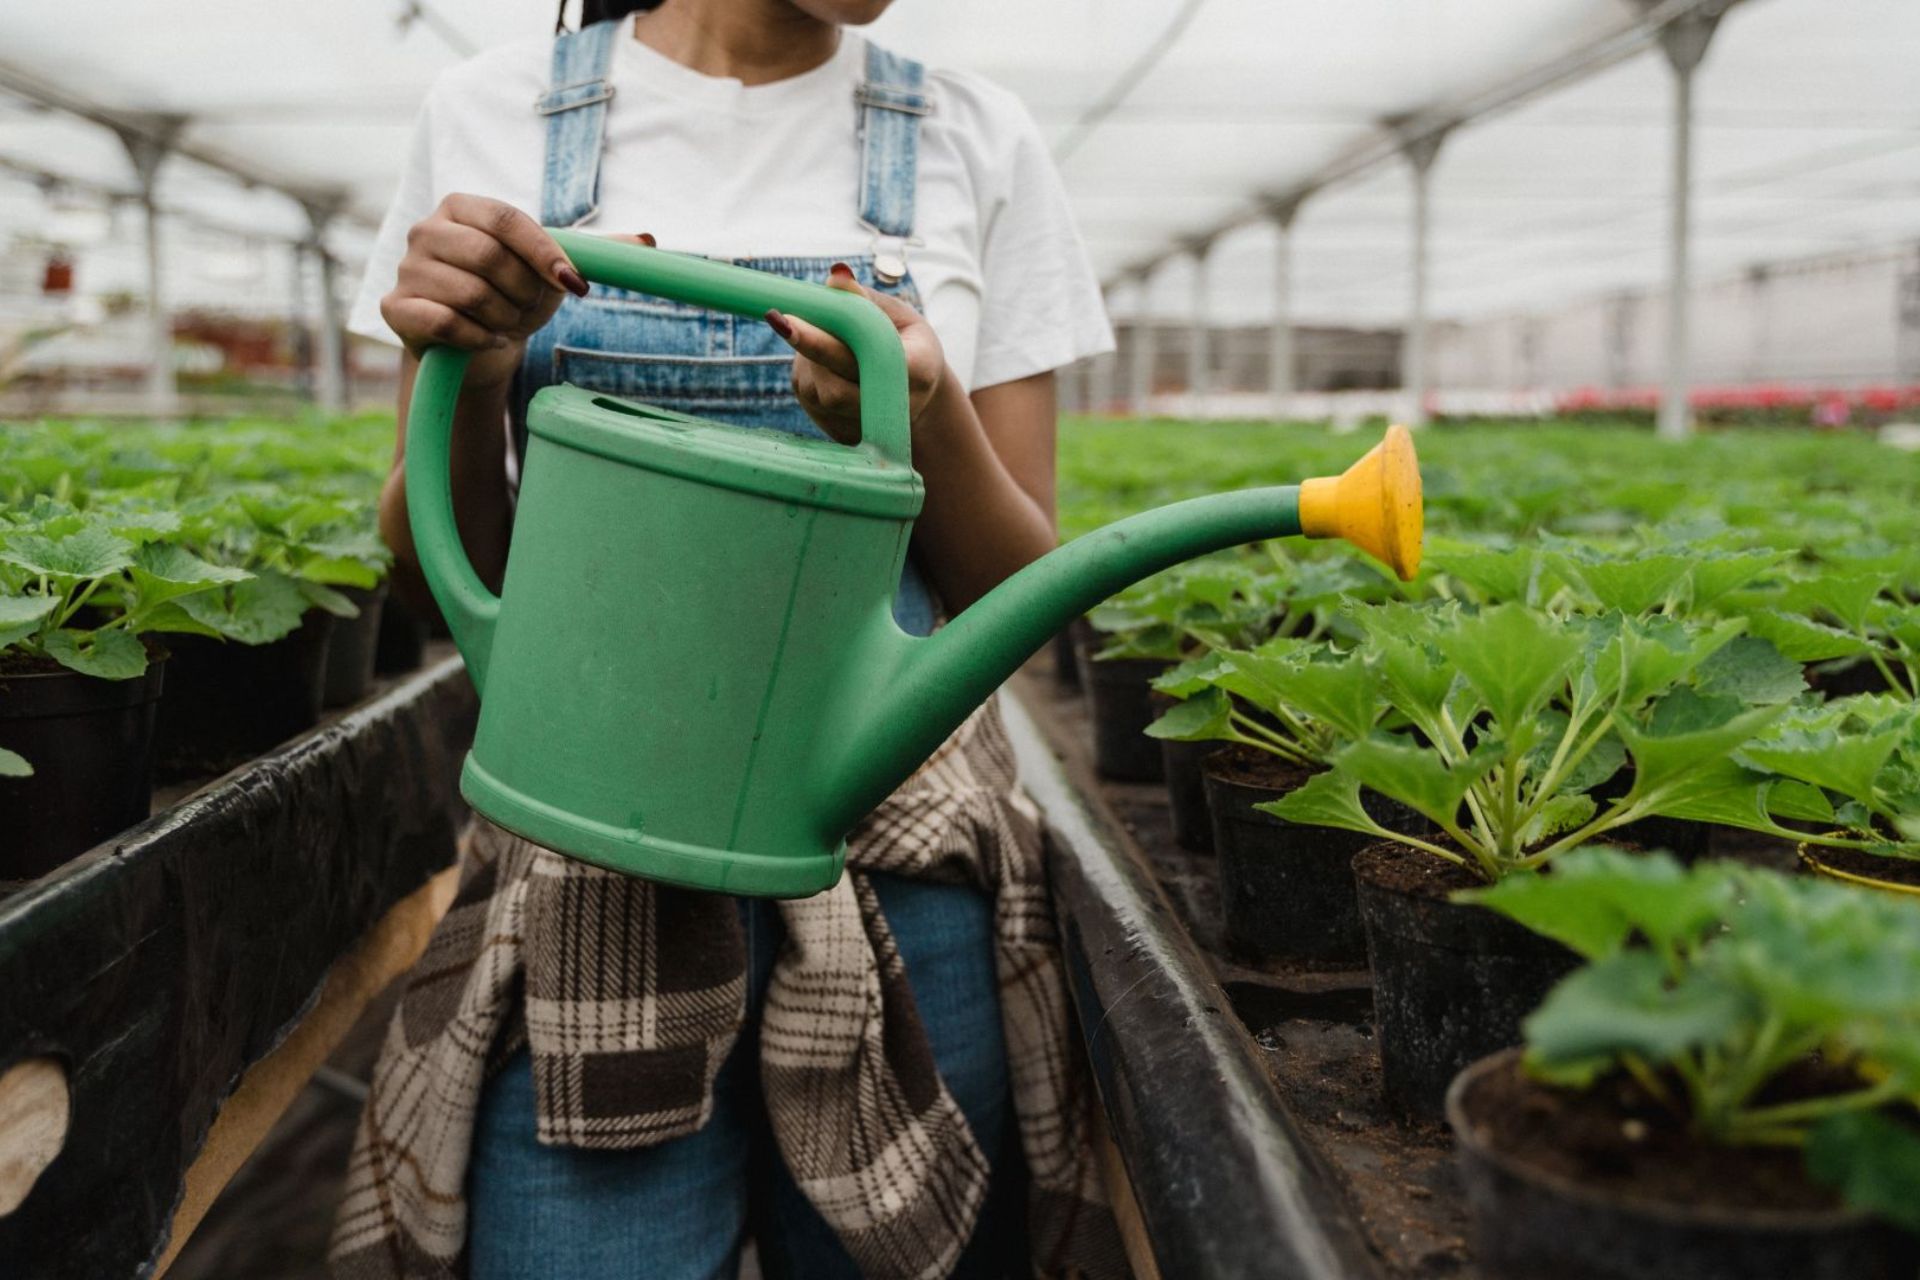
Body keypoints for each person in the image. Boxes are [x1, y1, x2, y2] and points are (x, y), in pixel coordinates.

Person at [328, 2, 1122, 1279]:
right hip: (593, 868)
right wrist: (471, 375)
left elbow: (1018, 592)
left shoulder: (977, 136)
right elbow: (443, 575)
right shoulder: (493, 113)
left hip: (900, 865)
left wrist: (920, 417)